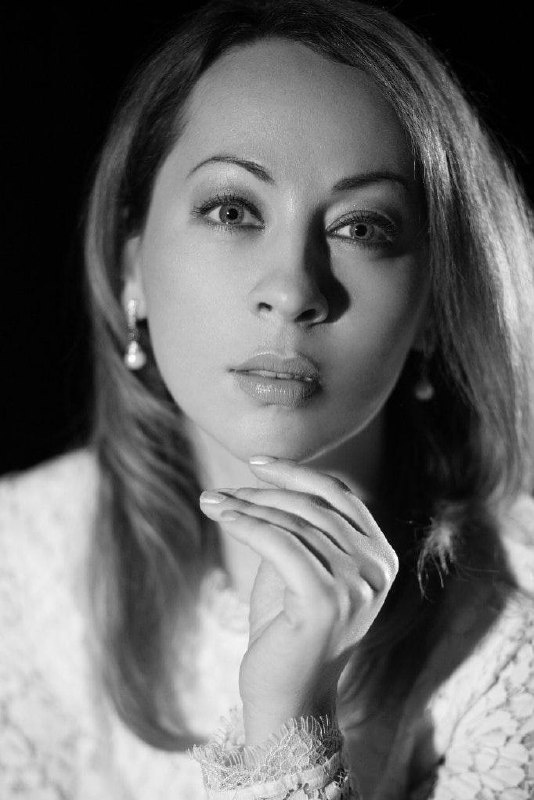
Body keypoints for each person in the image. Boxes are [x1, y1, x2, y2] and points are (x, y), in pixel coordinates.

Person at [1, 0, 533, 797]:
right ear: (130, 268)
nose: (291, 290)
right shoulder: (17, 561)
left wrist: (291, 722)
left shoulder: (514, 631)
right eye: (233, 210)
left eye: (362, 227)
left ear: (433, 307)